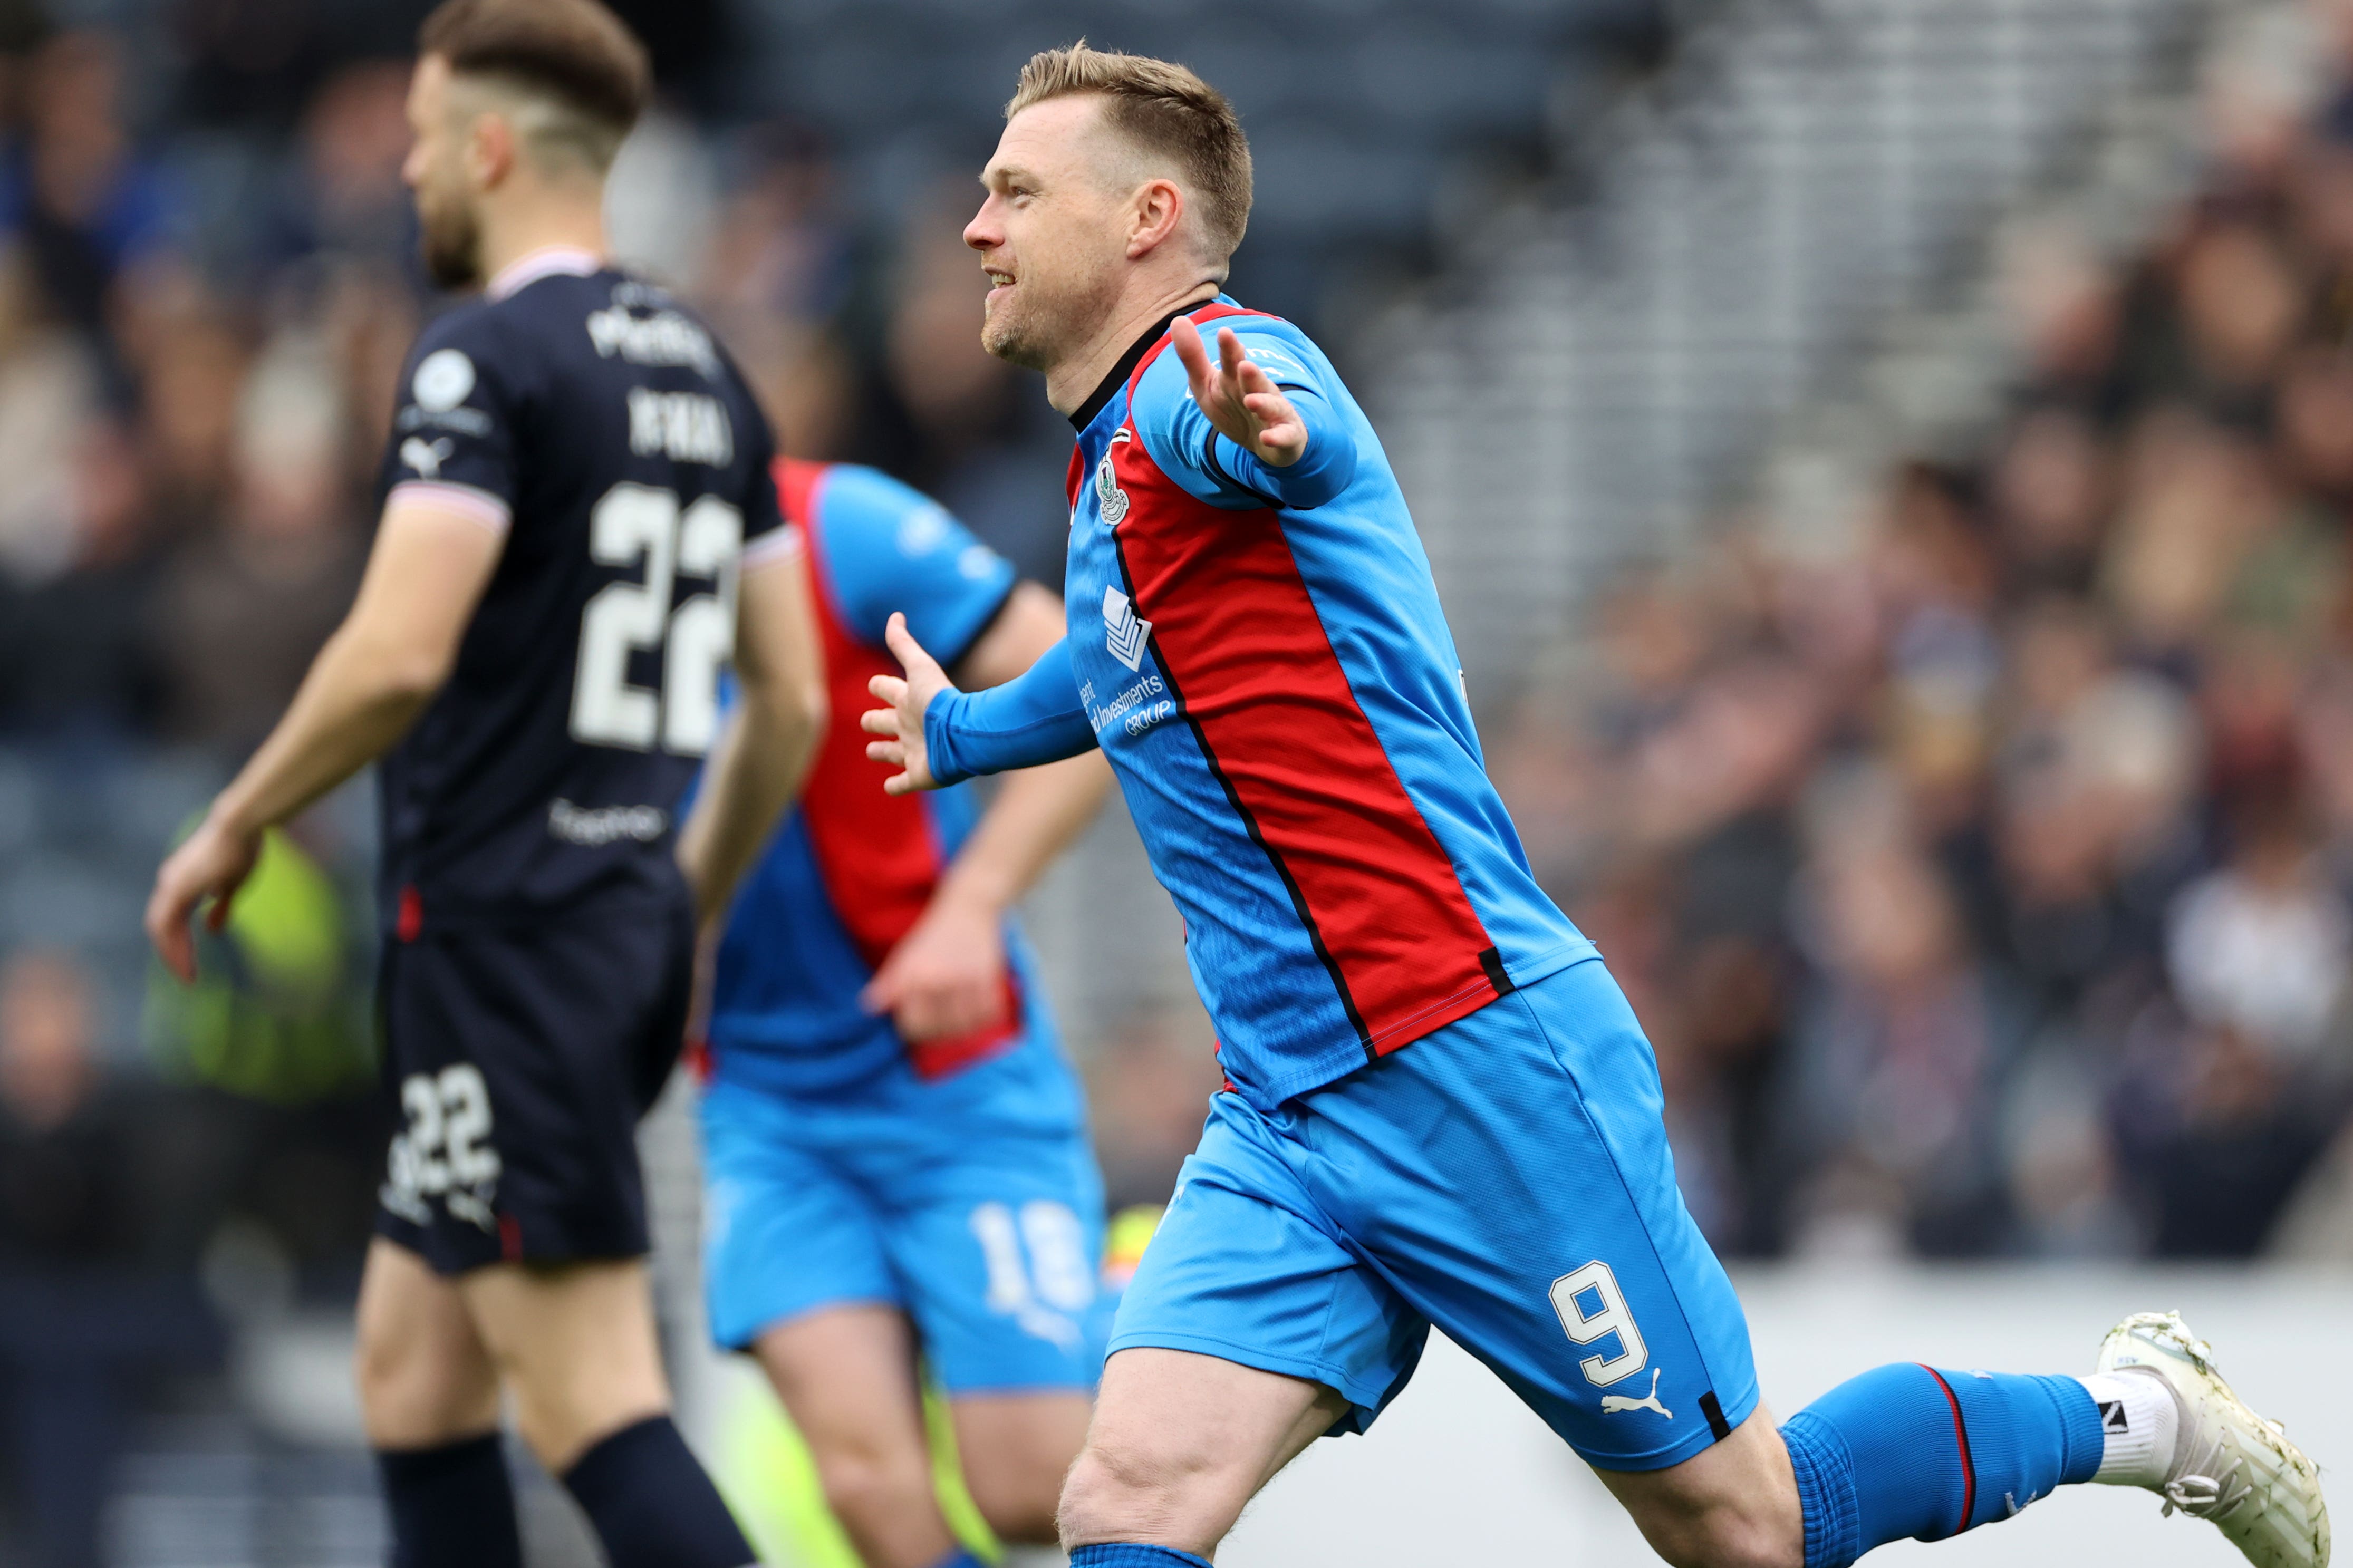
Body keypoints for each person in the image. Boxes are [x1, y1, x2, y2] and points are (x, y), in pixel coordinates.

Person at [860, 43, 2329, 1568]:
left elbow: (1270, 427)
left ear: (1147, 217)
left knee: (1748, 1523)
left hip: (1474, 1062)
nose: (975, 226)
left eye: (1015, 190)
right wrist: (965, 728)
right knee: (1126, 1499)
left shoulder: (1208, 383)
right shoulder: (1109, 474)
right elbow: (1116, 655)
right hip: (1286, 1112)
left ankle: (2146, 1416)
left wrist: (1262, 432)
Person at [143, 4, 825, 1566]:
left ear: (494, 148)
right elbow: (785, 690)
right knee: (414, 1368)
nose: (404, 166)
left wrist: (234, 819)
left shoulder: (485, 360)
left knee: (593, 1403)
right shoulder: (706, 369)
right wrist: (681, 896)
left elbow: (394, 652)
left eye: (422, 135)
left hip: (506, 943)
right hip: (601, 930)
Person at [698, 457, 1114, 1568]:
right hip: (764, 1103)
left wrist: (968, 905)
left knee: (1032, 1488)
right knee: (865, 1487)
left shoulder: (840, 529)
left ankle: (1132, 1284)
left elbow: (1095, 680)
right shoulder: (554, 598)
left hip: (946, 1072)